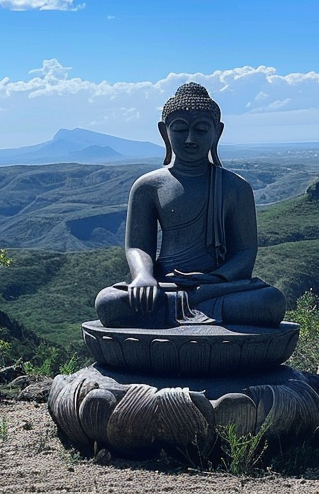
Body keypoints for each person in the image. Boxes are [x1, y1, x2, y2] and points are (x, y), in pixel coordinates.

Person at [94, 82, 287, 329]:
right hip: (165, 285)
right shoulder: (148, 186)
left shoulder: (236, 187)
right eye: (180, 129)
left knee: (269, 301)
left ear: (217, 132)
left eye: (201, 130)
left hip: (215, 289)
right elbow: (137, 246)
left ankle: (169, 319)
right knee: (109, 302)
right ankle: (188, 317)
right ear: (165, 133)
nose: (189, 139)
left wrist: (216, 277)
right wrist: (143, 276)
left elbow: (245, 252)